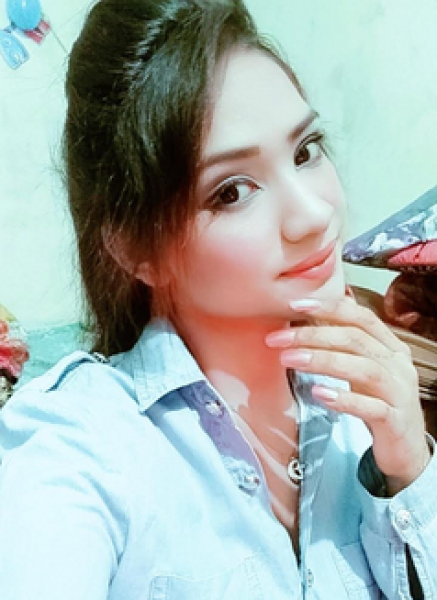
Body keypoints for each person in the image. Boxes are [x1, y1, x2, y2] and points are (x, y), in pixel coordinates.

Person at [0, 0, 435, 598]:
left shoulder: (357, 413)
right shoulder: (81, 445)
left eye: (306, 150)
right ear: (135, 248)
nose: (313, 215)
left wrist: (407, 467)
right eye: (232, 191)